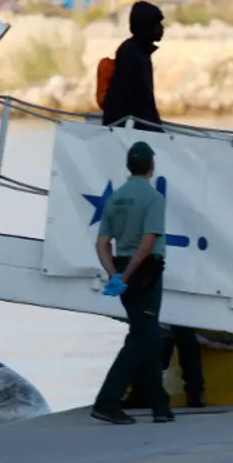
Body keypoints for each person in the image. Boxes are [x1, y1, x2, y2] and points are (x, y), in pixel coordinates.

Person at [91, 141, 173, 426]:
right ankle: (106, 401)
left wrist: (114, 274)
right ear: (151, 167)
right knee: (143, 336)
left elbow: (102, 243)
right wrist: (126, 277)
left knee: (147, 334)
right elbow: (148, 242)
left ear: (129, 166)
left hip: (124, 266)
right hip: (145, 270)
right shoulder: (153, 198)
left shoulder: (115, 199)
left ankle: (160, 406)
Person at [101, 1, 165, 132]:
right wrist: (156, 129)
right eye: (157, 24)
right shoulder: (133, 54)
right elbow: (140, 100)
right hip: (124, 127)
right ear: (146, 27)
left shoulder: (135, 50)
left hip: (124, 125)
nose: (162, 28)